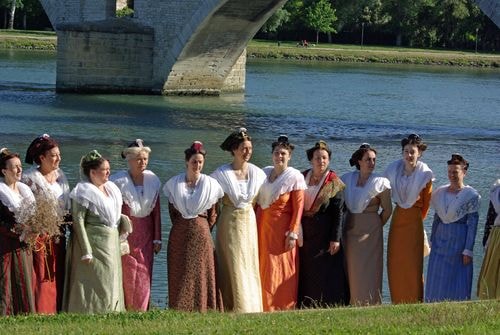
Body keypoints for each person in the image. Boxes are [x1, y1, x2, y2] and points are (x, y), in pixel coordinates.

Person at [63, 150, 132, 314]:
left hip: (111, 242)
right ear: (93, 172)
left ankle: (111, 309)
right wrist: (86, 250)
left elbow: (111, 215)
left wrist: (122, 222)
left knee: (110, 277)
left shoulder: (111, 189)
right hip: (93, 242)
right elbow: (78, 221)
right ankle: (88, 310)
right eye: (104, 169)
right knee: (95, 278)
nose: (109, 172)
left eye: (109, 168)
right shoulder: (82, 191)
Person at [211, 128, 266, 313]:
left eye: (250, 148)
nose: (248, 152)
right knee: (231, 262)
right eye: (244, 148)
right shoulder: (221, 174)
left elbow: (264, 201)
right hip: (229, 221)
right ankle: (229, 305)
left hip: (249, 222)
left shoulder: (258, 174)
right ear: (234, 150)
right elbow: (211, 200)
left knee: (248, 262)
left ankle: (250, 306)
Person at [164, 141, 224, 312]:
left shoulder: (211, 185)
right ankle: (178, 308)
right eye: (194, 162)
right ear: (186, 162)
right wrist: (184, 225)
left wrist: (200, 226)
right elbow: (173, 212)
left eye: (200, 162)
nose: (197, 165)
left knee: (201, 273)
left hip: (201, 234)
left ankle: (204, 307)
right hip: (179, 235)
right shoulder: (174, 184)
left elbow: (214, 214)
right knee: (180, 272)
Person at [110, 139, 161, 311]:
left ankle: (142, 308)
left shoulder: (153, 182)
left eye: (145, 159)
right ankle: (124, 306)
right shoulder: (118, 182)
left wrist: (157, 239)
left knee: (144, 271)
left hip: (146, 233)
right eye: (139, 159)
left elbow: (156, 213)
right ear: (129, 160)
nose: (143, 162)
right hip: (127, 233)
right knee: (128, 271)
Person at [256, 135, 306, 311]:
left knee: (280, 268)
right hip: (262, 228)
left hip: (281, 232)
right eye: (277, 153)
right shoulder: (263, 174)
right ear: (272, 155)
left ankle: (280, 306)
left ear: (289, 156)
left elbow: (298, 209)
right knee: (262, 267)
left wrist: (293, 233)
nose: (280, 156)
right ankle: (261, 305)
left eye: (284, 153)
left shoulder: (295, 177)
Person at [298, 140, 349, 308]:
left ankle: (326, 304)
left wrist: (335, 239)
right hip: (304, 233)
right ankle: (304, 303)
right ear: (311, 159)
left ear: (329, 160)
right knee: (305, 270)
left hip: (324, 235)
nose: (321, 161)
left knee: (324, 272)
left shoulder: (335, 182)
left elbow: (339, 214)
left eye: (325, 158)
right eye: (318, 158)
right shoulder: (301, 177)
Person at [22, 134, 70, 313]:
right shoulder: (29, 179)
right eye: (54, 155)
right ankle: (40, 310)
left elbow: (66, 205)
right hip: (39, 236)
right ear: (41, 158)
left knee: (57, 271)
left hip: (58, 233)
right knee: (41, 274)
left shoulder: (60, 176)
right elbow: (25, 208)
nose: (59, 158)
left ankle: (57, 309)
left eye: (59, 154)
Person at [384, 134, 433, 304]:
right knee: (395, 262)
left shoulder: (425, 174)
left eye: (412, 152)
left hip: (414, 222)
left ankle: (415, 299)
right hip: (397, 220)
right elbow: (383, 190)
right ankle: (397, 300)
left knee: (413, 265)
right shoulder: (393, 169)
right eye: (406, 151)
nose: (409, 155)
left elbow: (426, 204)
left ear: (419, 153)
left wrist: (416, 218)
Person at [341, 144, 392, 306]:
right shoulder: (346, 179)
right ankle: (350, 302)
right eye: (368, 159)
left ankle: (370, 303)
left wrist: (375, 226)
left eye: (374, 160)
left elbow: (387, 210)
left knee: (369, 271)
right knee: (351, 268)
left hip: (371, 233)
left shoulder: (381, 182)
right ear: (359, 161)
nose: (372, 163)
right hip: (349, 230)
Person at [425, 154, 480, 302]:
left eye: (455, 172)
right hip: (440, 240)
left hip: (459, 241)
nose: (451, 175)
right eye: (449, 171)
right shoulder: (439, 193)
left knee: (457, 276)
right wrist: (431, 241)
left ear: (464, 172)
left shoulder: (471, 195)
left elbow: (473, 223)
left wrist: (468, 249)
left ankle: (458, 306)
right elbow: (436, 219)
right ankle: (433, 303)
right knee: (437, 275)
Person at [0, 148, 36, 315]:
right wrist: (18, 231)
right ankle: (6, 314)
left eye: (20, 166)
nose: (20, 169)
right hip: (6, 246)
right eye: (15, 167)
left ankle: (25, 314)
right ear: (4, 171)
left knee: (25, 279)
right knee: (6, 281)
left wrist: (36, 228)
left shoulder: (24, 190)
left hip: (24, 246)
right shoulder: (1, 193)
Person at [477, 179, 500, 299]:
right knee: (492, 275)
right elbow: (490, 218)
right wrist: (486, 240)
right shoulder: (497, 190)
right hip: (497, 237)